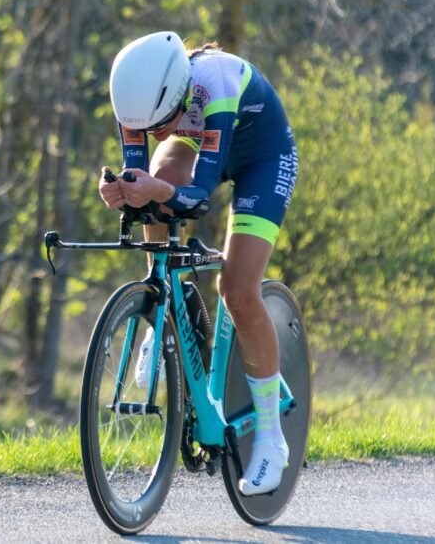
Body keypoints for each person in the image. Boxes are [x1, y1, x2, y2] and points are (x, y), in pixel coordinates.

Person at [98, 31, 298, 496]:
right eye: (146, 129)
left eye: (160, 125)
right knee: (149, 188)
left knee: (238, 289)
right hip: (199, 138)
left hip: (261, 158)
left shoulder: (217, 85)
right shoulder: (137, 98)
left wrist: (156, 190)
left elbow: (197, 197)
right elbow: (139, 177)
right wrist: (123, 189)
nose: (153, 135)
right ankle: (161, 314)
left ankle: (271, 436)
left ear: (179, 96)